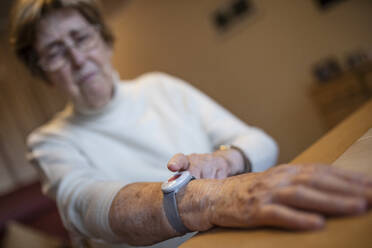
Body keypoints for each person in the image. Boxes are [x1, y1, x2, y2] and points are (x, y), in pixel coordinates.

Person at [10, 0, 372, 247]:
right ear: (41, 70)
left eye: (81, 37)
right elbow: (85, 206)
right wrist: (207, 199)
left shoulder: (160, 87)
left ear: (103, 41)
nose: (76, 57)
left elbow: (259, 140)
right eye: (55, 51)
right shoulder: (48, 141)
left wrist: (226, 160)